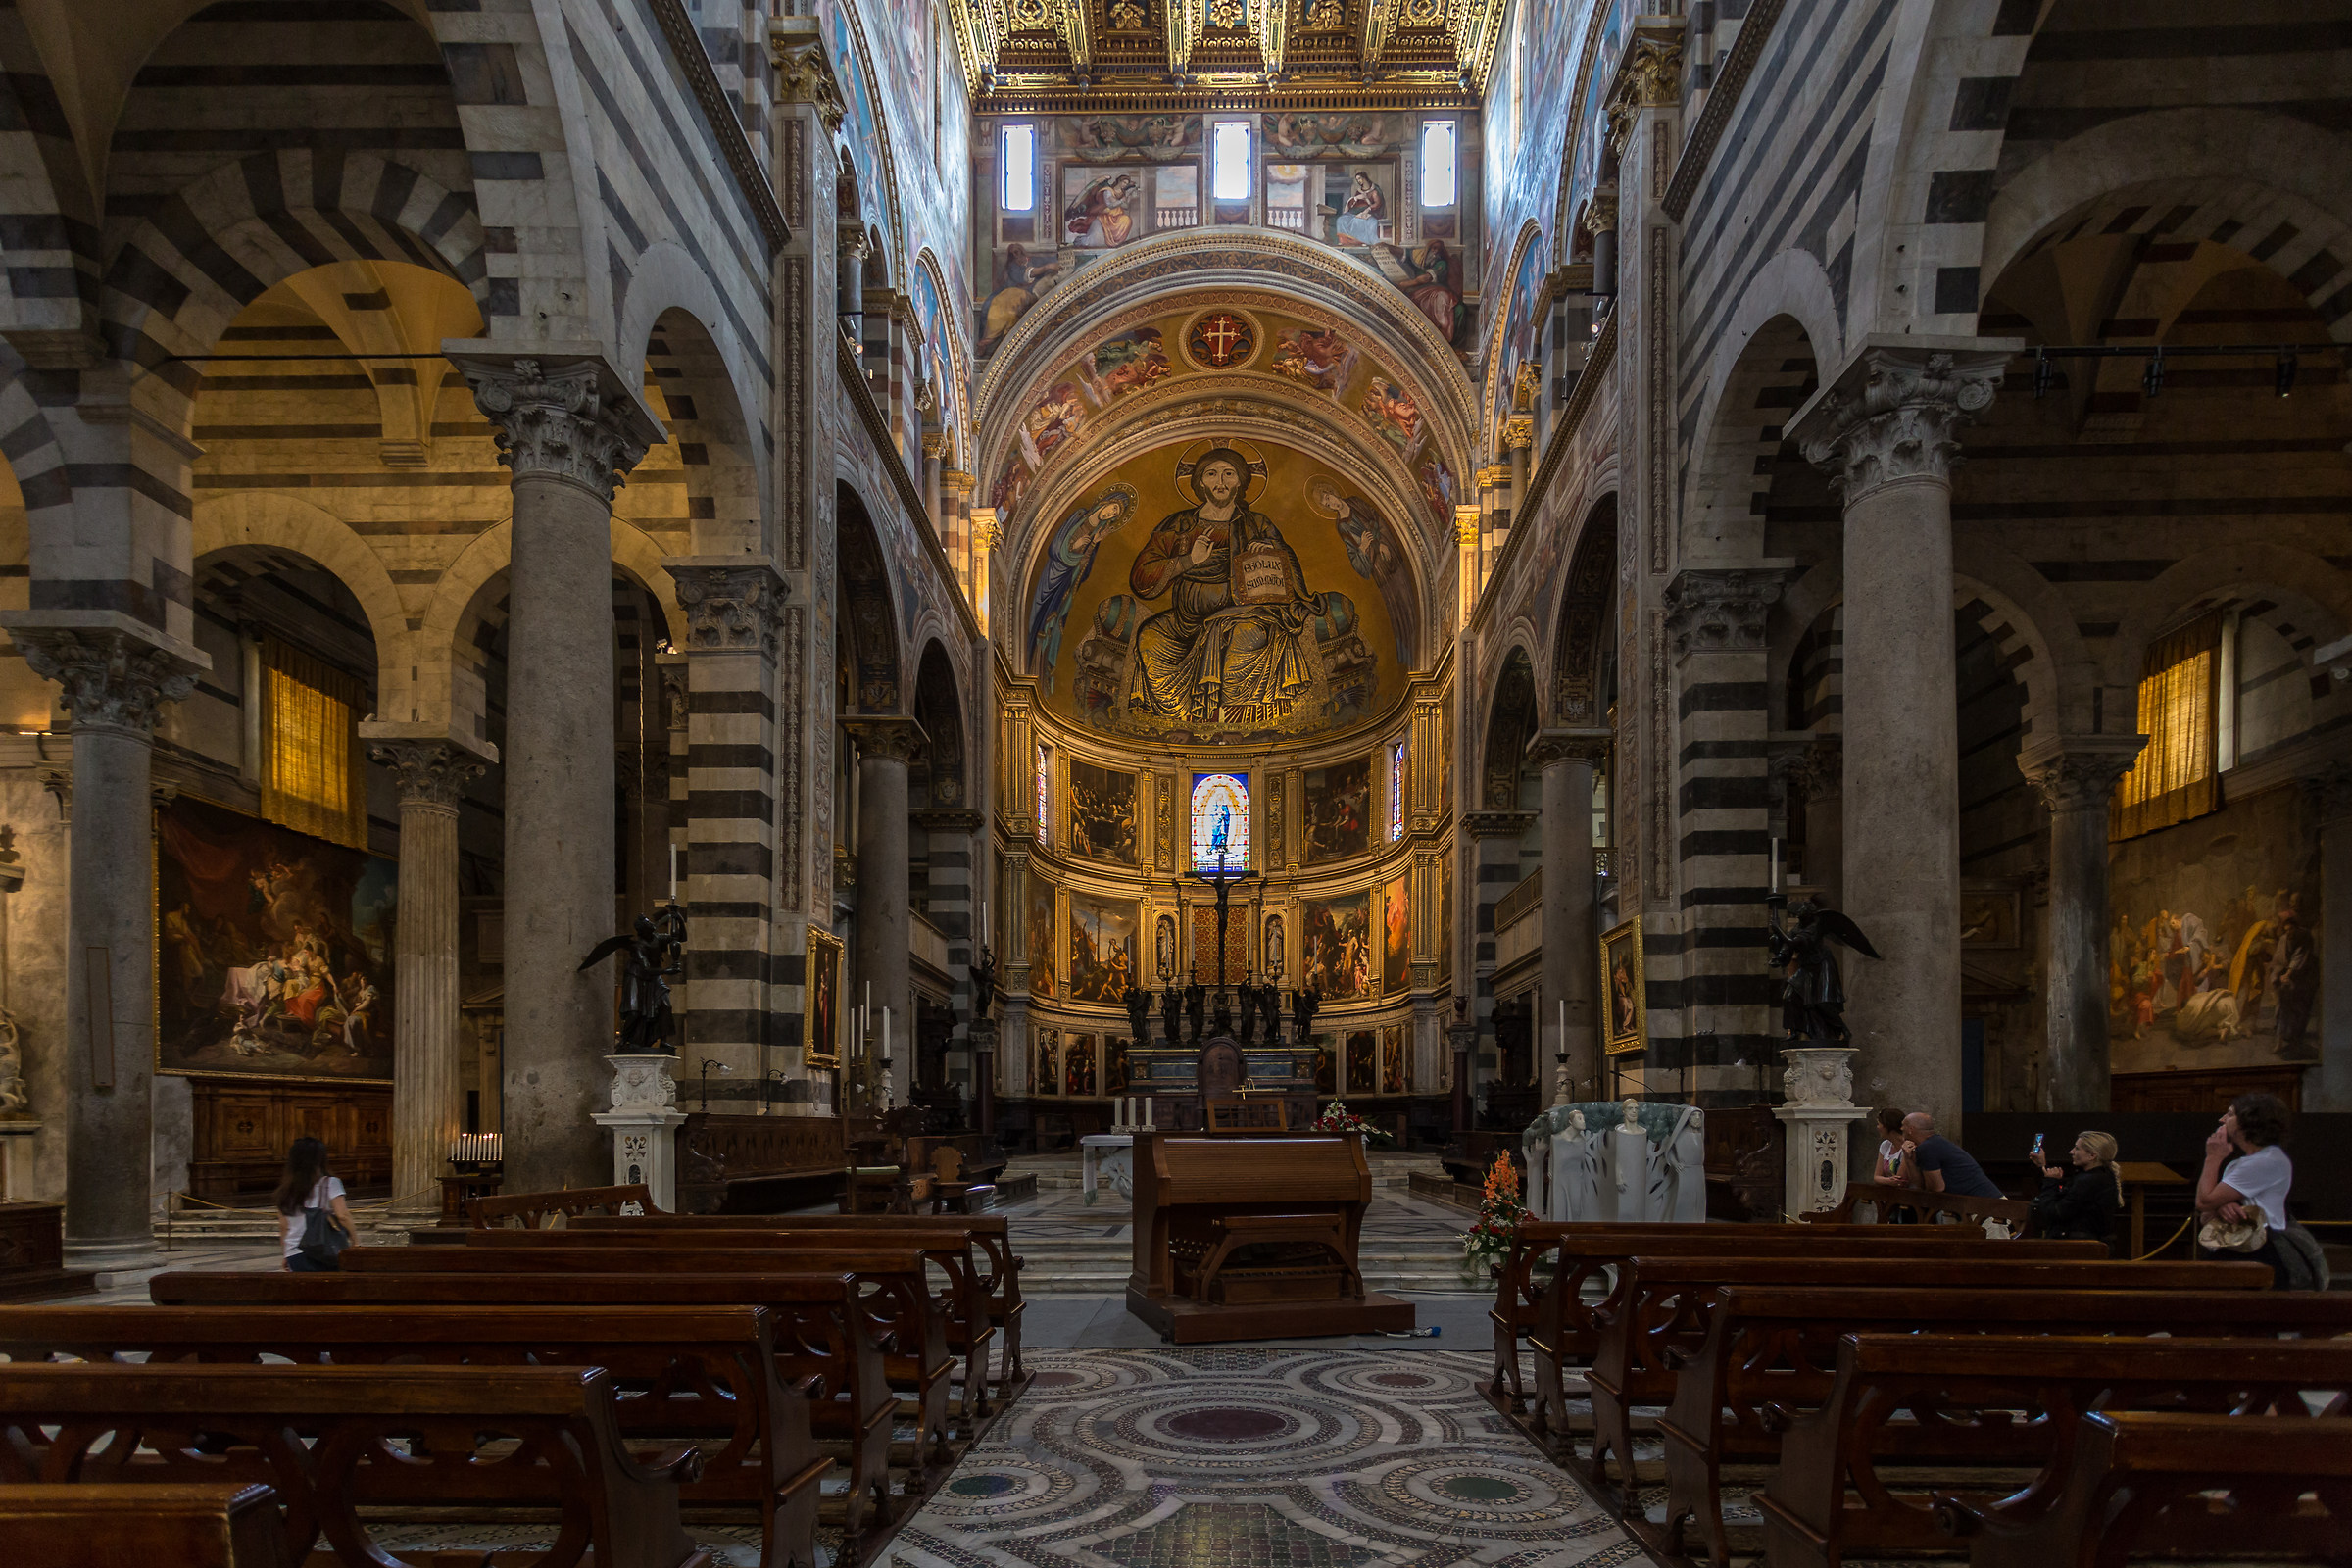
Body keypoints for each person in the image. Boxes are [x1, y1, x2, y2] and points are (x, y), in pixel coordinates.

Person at [2197, 1091, 2295, 1287]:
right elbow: (2205, 1215)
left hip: (2258, 1250)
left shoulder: (2268, 1160)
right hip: (2229, 1245)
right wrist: (2219, 1207)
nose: (2222, 1119)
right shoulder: (2238, 1164)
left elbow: (2204, 1201)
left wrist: (2213, 1158)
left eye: (2231, 1114)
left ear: (2249, 1122)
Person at [273, 1135, 355, 1273]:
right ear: (321, 1159)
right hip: (324, 1250)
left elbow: (284, 1227)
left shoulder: (285, 1190)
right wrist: (356, 1241)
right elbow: (343, 1215)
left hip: (295, 1253)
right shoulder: (330, 1183)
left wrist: (286, 1254)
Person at [2030, 1130, 2123, 1246]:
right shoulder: (2097, 1176)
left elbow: (2055, 1212)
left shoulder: (2089, 1181)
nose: (2071, 1152)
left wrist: (2051, 1182)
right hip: (2083, 1244)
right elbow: (2060, 1196)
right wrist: (2041, 1166)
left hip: (2078, 1248)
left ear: (2092, 1156)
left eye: (2077, 1148)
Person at [1897, 1111, 2004, 1199]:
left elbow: (1936, 1188)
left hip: (1987, 1208)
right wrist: (1908, 1159)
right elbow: (1919, 1184)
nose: (1901, 1129)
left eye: (1903, 1125)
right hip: (1970, 1206)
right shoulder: (1931, 1144)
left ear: (1911, 1129)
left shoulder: (1928, 1147)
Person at [1869, 1107, 1908, 1185]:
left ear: (1887, 1126)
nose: (1877, 1127)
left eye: (1879, 1124)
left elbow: (1899, 1179)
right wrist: (1888, 1181)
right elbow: (1876, 1177)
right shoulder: (1885, 1145)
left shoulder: (1907, 1146)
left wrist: (1886, 1180)